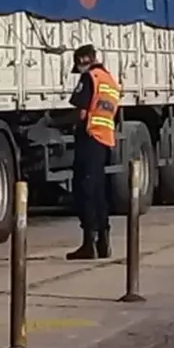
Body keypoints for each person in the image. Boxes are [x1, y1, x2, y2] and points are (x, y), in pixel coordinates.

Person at [66, 44, 121, 260]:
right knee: (99, 192)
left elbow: (81, 113)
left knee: (85, 191)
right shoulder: (109, 80)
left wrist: (55, 122)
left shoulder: (90, 78)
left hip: (88, 138)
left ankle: (89, 244)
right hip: (104, 139)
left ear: (84, 59)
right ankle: (104, 242)